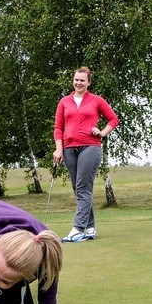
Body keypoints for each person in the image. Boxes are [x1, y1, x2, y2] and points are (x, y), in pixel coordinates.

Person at [53, 66, 119, 242]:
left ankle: (78, 229)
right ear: (72, 81)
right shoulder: (64, 102)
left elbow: (114, 119)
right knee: (79, 189)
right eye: (76, 79)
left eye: (82, 80)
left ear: (88, 82)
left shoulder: (97, 100)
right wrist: (59, 149)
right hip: (69, 149)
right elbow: (58, 128)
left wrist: (102, 132)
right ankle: (90, 228)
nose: (79, 82)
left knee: (82, 188)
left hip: (90, 146)